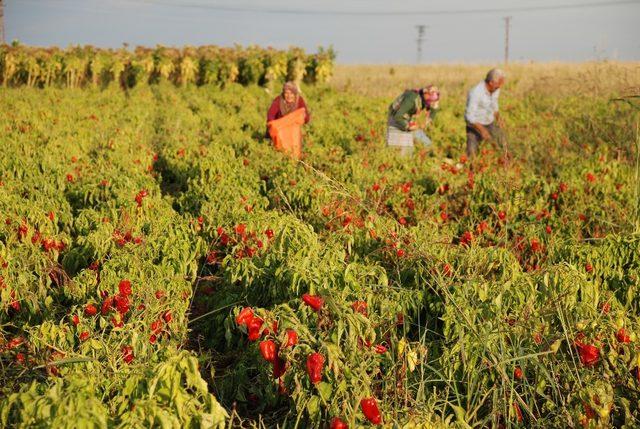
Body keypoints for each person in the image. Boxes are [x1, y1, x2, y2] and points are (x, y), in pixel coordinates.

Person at [386, 86, 440, 156]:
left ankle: (422, 160)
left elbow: (431, 111)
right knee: (401, 152)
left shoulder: (422, 99)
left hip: (407, 121)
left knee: (426, 144)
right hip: (396, 122)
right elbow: (398, 116)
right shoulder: (411, 99)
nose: (431, 102)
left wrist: (434, 109)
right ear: (426, 94)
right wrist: (408, 126)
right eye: (431, 100)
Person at [464, 68, 506, 159]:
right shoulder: (476, 93)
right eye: (498, 85)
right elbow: (469, 117)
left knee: (503, 143)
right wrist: (482, 130)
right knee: (472, 154)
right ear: (491, 82)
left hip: (489, 123)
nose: (499, 88)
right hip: (474, 126)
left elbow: (494, 104)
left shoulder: (495, 89)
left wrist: (498, 118)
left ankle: (507, 166)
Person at [266, 82, 310, 159]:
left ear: (295, 94)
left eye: (291, 93)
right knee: (280, 153)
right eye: (286, 93)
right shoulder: (278, 100)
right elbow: (270, 116)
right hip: (280, 133)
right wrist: (281, 124)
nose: (289, 96)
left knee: (294, 154)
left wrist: (296, 119)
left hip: (294, 134)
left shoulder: (299, 101)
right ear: (283, 93)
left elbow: (306, 118)